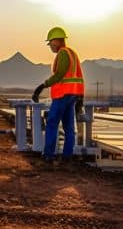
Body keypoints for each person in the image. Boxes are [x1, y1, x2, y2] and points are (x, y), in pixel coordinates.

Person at [31, 27, 85, 165]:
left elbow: (59, 74)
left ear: (56, 41)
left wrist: (42, 86)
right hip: (73, 94)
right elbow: (79, 77)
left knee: (52, 124)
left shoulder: (62, 53)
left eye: (50, 43)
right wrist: (80, 98)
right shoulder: (72, 53)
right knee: (69, 127)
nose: (50, 46)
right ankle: (67, 157)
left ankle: (48, 156)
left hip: (62, 95)